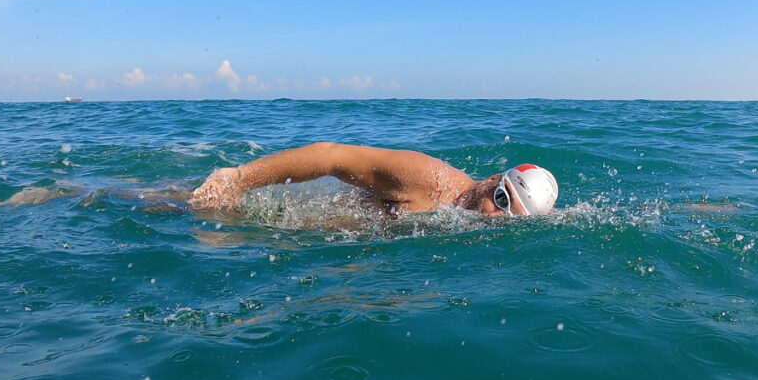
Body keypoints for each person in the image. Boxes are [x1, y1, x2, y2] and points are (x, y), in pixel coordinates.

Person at [188, 141, 559, 217]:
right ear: (494, 178)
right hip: (275, 219)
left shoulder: (466, 220)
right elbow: (331, 157)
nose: (494, 215)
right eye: (501, 198)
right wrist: (237, 180)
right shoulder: (426, 179)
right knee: (177, 207)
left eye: (510, 217)